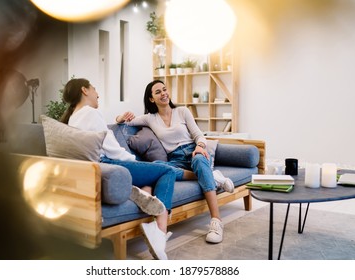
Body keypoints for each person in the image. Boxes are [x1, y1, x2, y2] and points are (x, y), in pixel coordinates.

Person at [60, 78, 176, 260]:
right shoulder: (90, 113)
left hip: (98, 166)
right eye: (95, 88)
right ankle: (159, 232)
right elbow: (112, 149)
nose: (97, 94)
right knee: (167, 171)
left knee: (151, 177)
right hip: (110, 164)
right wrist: (135, 162)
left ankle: (142, 195)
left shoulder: (74, 116)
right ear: (85, 90)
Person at [116, 79, 234, 244]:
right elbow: (124, 122)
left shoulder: (182, 111)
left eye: (164, 90)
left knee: (200, 162)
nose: (163, 93)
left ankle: (216, 221)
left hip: (194, 151)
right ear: (151, 99)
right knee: (157, 167)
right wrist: (120, 116)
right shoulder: (150, 118)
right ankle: (212, 177)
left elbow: (199, 135)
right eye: (158, 92)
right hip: (175, 159)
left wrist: (200, 146)